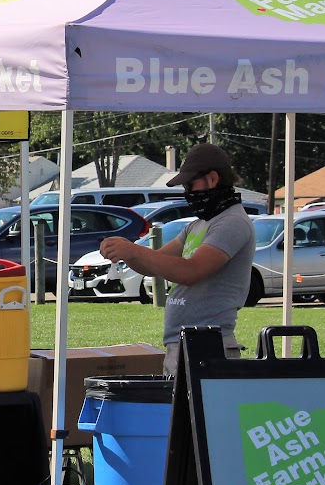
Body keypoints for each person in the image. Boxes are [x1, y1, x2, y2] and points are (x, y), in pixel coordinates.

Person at [98, 143, 255, 377]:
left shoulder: (232, 222)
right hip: (186, 344)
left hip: (207, 345)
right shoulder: (198, 224)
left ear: (212, 179)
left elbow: (191, 271)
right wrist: (126, 253)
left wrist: (133, 250)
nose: (188, 193)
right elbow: (155, 265)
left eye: (190, 185)